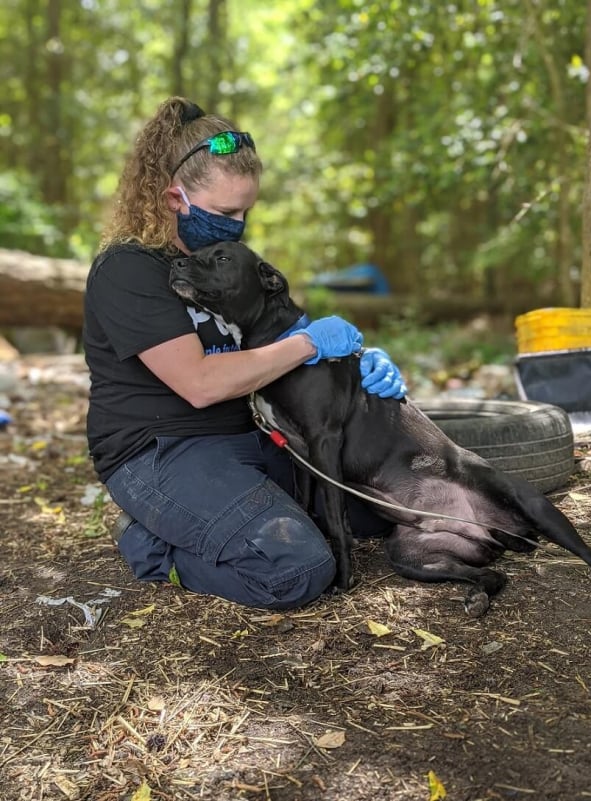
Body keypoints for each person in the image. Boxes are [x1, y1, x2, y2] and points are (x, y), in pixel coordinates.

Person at [83, 96, 407, 610]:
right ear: (173, 199)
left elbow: (293, 332)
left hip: (245, 437)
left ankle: (215, 517)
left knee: (380, 509)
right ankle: (151, 547)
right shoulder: (129, 270)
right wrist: (306, 345)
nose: (238, 223)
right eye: (225, 212)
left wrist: (357, 359)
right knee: (297, 568)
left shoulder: (225, 265)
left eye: (246, 211)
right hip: (159, 452)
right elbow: (201, 382)